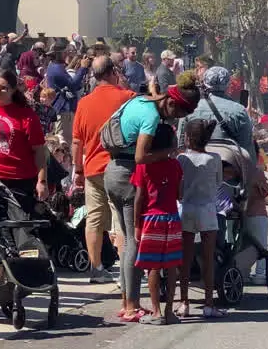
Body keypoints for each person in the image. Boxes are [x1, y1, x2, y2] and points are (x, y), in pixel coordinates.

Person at [106, 71, 201, 322]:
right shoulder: (151, 117)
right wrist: (169, 152)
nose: (177, 119)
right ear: (170, 103)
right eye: (179, 113)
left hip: (112, 171)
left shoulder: (143, 100)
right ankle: (132, 305)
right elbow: (140, 157)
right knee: (134, 243)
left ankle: (128, 300)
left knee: (127, 241)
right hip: (128, 172)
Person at [72, 56, 136, 283]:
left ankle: (96, 267)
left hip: (91, 169)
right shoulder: (127, 98)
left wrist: (77, 171)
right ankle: (124, 273)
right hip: (118, 166)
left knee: (95, 219)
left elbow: (77, 142)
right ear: (112, 72)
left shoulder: (84, 103)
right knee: (120, 219)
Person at [132, 123, 182, 326]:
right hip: (172, 218)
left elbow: (138, 198)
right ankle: (170, 311)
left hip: (151, 220)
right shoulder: (176, 165)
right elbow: (180, 194)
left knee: (152, 267)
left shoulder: (143, 166)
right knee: (171, 267)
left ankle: (156, 312)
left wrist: (136, 224)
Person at [0, 69, 48, 201]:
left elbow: (39, 151)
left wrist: (41, 181)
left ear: (13, 90)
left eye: (3, 88)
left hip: (19, 180)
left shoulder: (27, 115)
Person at [177, 120, 226, 319]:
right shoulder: (214, 158)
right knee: (208, 258)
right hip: (207, 209)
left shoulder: (181, 159)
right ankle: (208, 303)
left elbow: (179, 187)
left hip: (187, 208)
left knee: (185, 259)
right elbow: (218, 182)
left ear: (187, 138)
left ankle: (184, 302)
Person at [179, 66, 254, 155]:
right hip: (229, 162)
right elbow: (246, 146)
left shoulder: (191, 107)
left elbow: (181, 144)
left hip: (196, 162)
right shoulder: (239, 110)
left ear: (205, 83)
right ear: (228, 85)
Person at [46, 44, 89, 147]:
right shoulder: (56, 69)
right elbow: (73, 85)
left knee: (65, 141)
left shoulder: (55, 66)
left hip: (63, 108)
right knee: (63, 142)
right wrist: (83, 68)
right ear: (57, 54)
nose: (66, 54)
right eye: (64, 52)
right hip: (62, 109)